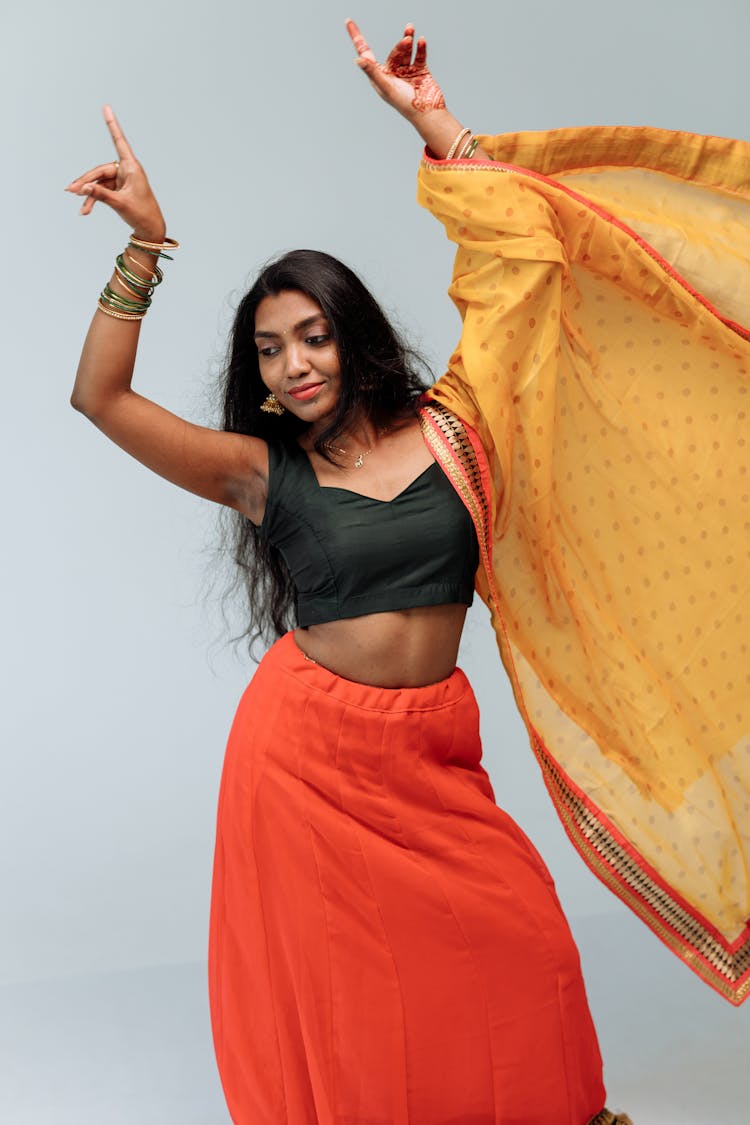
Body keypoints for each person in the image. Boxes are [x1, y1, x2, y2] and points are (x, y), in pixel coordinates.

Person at [67, 17, 749, 1125]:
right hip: (303, 765)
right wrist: (144, 247)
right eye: (269, 351)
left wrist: (432, 123)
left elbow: (517, 272)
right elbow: (101, 401)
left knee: (523, 948)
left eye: (311, 337)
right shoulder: (262, 472)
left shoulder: (460, 428)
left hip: (431, 751)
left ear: (354, 335)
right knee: (349, 1000)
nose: (291, 367)